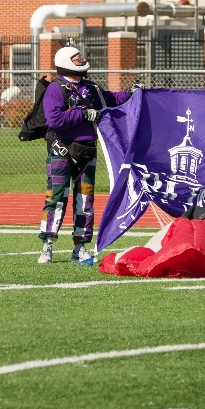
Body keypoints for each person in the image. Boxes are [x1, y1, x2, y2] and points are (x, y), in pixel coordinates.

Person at [39, 45, 134, 265]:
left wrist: (131, 92)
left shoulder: (90, 87)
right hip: (61, 150)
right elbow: (55, 120)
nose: (82, 60)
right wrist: (83, 114)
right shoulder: (55, 88)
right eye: (77, 58)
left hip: (87, 151)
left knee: (85, 201)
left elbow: (110, 98)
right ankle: (47, 246)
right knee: (56, 197)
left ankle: (80, 248)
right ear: (66, 62)